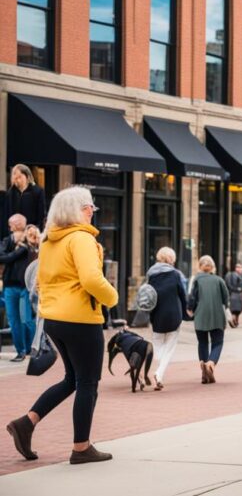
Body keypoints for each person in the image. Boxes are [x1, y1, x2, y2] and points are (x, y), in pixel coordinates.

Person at [6, 186, 116, 464]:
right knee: (88, 382)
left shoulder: (48, 240)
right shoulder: (81, 238)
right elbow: (91, 279)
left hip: (54, 318)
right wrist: (111, 297)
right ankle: (81, 447)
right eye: (89, 207)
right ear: (77, 210)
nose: (93, 211)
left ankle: (26, 422)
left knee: (72, 379)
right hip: (81, 319)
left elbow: (39, 281)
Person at [146, 247, 188, 391]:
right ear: (171, 259)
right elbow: (182, 295)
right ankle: (158, 373)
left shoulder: (151, 274)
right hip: (173, 315)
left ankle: (156, 371)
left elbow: (148, 296)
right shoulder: (175, 274)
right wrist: (186, 314)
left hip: (157, 315)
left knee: (157, 346)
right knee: (169, 349)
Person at [188, 256, 229, 383]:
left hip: (200, 316)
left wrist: (190, 309)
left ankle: (204, 371)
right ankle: (211, 363)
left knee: (202, 342)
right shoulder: (219, 280)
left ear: (200, 266)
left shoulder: (196, 280)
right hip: (217, 315)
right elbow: (225, 298)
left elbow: (192, 297)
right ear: (213, 267)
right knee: (218, 342)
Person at [1, 216, 36, 361]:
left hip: (26, 287)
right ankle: (21, 351)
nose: (10, 228)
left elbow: (35, 256)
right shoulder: (7, 241)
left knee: (26, 319)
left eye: (11, 225)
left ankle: (33, 349)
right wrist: (18, 251)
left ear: (16, 225)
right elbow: (2, 258)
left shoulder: (32, 240)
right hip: (10, 286)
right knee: (14, 320)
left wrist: (24, 246)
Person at [4, 164, 47, 240]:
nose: (17, 180)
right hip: (14, 234)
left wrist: (36, 231)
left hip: (31, 232)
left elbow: (41, 215)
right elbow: (7, 215)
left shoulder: (38, 192)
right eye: (15, 177)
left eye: (19, 177)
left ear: (27, 176)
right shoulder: (10, 193)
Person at [225, 263, 242, 328]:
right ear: (236, 268)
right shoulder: (232, 275)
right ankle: (234, 319)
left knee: (238, 310)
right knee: (235, 309)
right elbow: (229, 285)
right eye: (239, 267)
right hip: (234, 294)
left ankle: (235, 320)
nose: (240, 269)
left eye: (241, 268)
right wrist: (237, 289)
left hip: (240, 295)